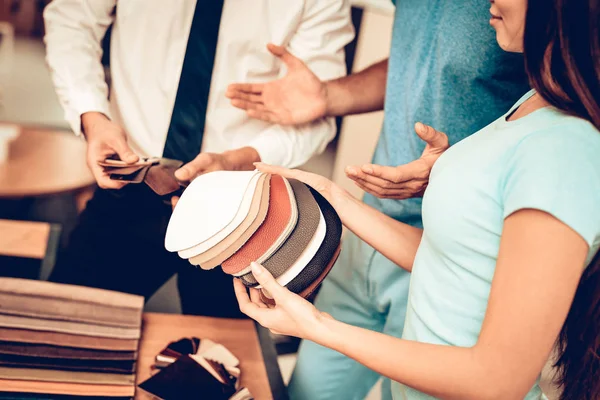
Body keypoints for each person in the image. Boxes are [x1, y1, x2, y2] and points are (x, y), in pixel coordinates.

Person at [234, 0, 600, 398]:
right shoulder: (533, 105)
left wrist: (316, 324)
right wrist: (329, 195)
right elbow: (456, 261)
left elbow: (496, 380)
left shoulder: (567, 149)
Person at [42, 0, 353, 317]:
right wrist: (93, 118)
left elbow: (316, 115)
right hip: (135, 181)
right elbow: (72, 20)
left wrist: (243, 159)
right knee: (64, 328)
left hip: (244, 206)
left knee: (226, 355)